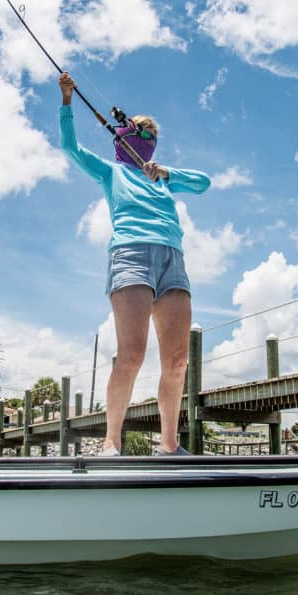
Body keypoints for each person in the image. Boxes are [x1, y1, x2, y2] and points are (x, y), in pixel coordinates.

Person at [58, 71, 210, 456]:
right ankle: (110, 441)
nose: (144, 137)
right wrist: (66, 102)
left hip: (172, 259)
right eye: (139, 131)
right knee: (133, 352)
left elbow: (204, 182)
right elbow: (70, 148)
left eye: (148, 133)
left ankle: (171, 446)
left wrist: (167, 172)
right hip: (131, 254)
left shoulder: (160, 178)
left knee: (177, 360)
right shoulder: (113, 171)